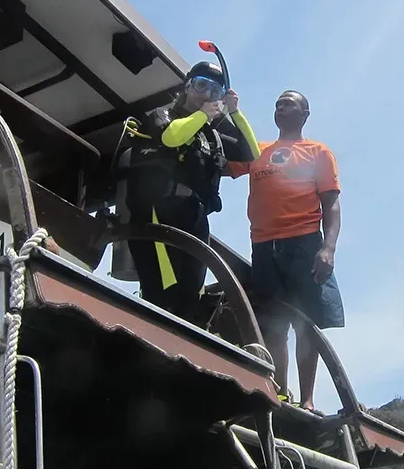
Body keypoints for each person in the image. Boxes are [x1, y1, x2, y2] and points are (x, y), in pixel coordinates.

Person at [224, 90, 344, 413]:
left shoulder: (318, 152)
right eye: (277, 104)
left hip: (304, 243)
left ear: (305, 114)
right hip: (264, 247)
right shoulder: (258, 150)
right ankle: (280, 393)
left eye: (288, 104)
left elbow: (332, 204)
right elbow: (223, 165)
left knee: (306, 323)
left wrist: (328, 248)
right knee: (273, 323)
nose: (280, 107)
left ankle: (307, 400)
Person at [124, 61, 260, 323]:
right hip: (157, 213)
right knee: (164, 294)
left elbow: (251, 153)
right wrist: (204, 115)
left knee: (191, 295)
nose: (206, 94)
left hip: (195, 217)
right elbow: (171, 138)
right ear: (187, 86)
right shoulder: (162, 115)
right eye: (200, 85)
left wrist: (234, 113)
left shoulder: (210, 133)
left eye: (215, 91)